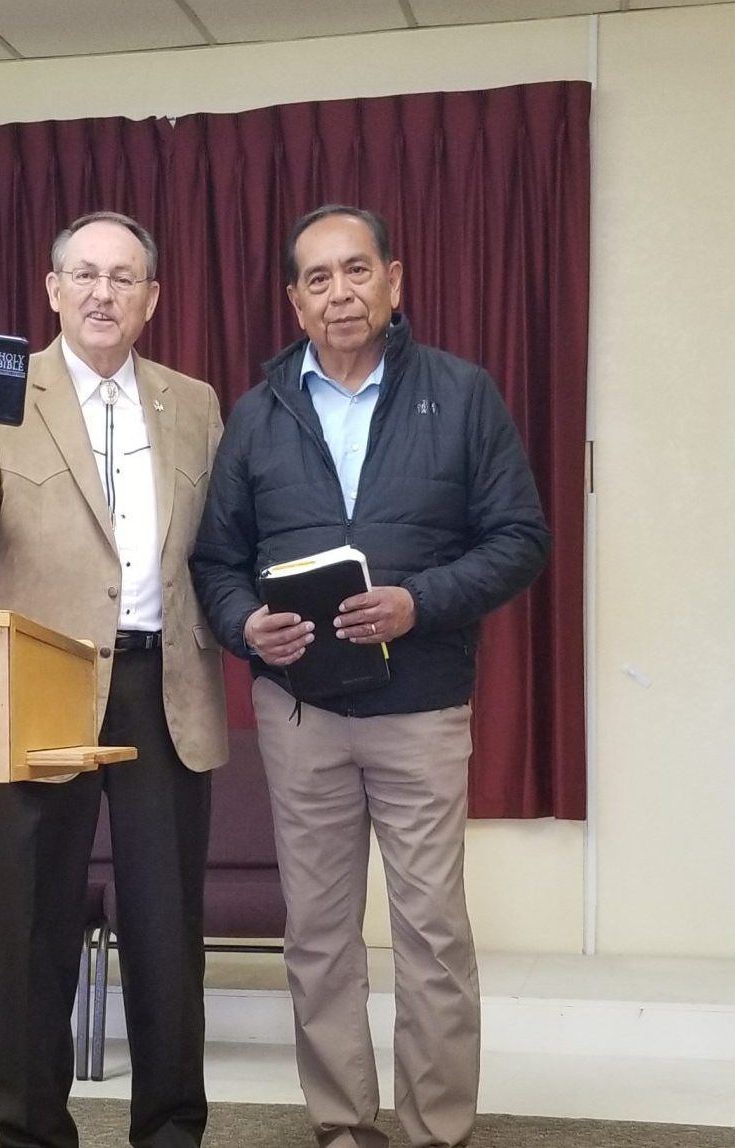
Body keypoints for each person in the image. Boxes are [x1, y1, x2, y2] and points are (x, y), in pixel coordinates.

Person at [189, 205, 550, 1148]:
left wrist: (418, 602)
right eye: (318, 278)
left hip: (419, 710)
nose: (339, 293)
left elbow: (521, 538)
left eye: (356, 271)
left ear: (395, 280)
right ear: (294, 302)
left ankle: (437, 1130)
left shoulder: (462, 395)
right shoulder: (258, 415)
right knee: (317, 935)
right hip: (299, 714)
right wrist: (244, 625)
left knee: (432, 933)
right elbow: (216, 562)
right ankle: (343, 1126)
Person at [0, 211, 227, 1148]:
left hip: (164, 688)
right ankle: (30, 1133)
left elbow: (221, 543)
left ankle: (170, 1131)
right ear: (52, 290)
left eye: (123, 278)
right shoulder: (1, 403)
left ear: (151, 299)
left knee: (166, 932)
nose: (102, 292)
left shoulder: (194, 403)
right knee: (33, 928)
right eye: (84, 274)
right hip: (45, 687)